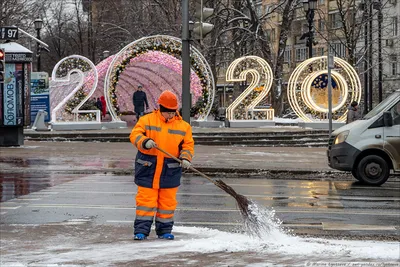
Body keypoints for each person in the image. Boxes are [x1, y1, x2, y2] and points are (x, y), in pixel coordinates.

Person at [129, 90, 194, 241]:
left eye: (173, 112)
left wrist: (185, 158)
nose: (170, 115)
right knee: (146, 202)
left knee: (167, 203)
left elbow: (188, 146)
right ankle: (141, 232)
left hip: (170, 169)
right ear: (161, 109)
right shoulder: (147, 120)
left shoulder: (183, 126)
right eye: (168, 112)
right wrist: (145, 142)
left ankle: (165, 231)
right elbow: (135, 135)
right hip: (147, 168)